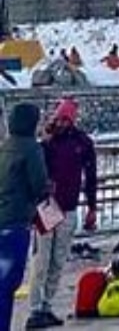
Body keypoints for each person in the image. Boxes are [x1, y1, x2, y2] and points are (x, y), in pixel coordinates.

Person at [25, 97, 97, 329]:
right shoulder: (47, 143)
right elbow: (34, 173)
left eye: (67, 118)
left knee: (58, 260)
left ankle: (47, 304)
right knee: (41, 259)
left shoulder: (82, 143)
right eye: (60, 118)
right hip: (47, 207)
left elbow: (91, 177)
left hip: (69, 207)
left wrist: (92, 206)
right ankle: (35, 308)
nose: (62, 122)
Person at [0, 104, 48, 329]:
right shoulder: (30, 148)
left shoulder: (5, 146)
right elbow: (39, 185)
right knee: (7, 283)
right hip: (16, 221)